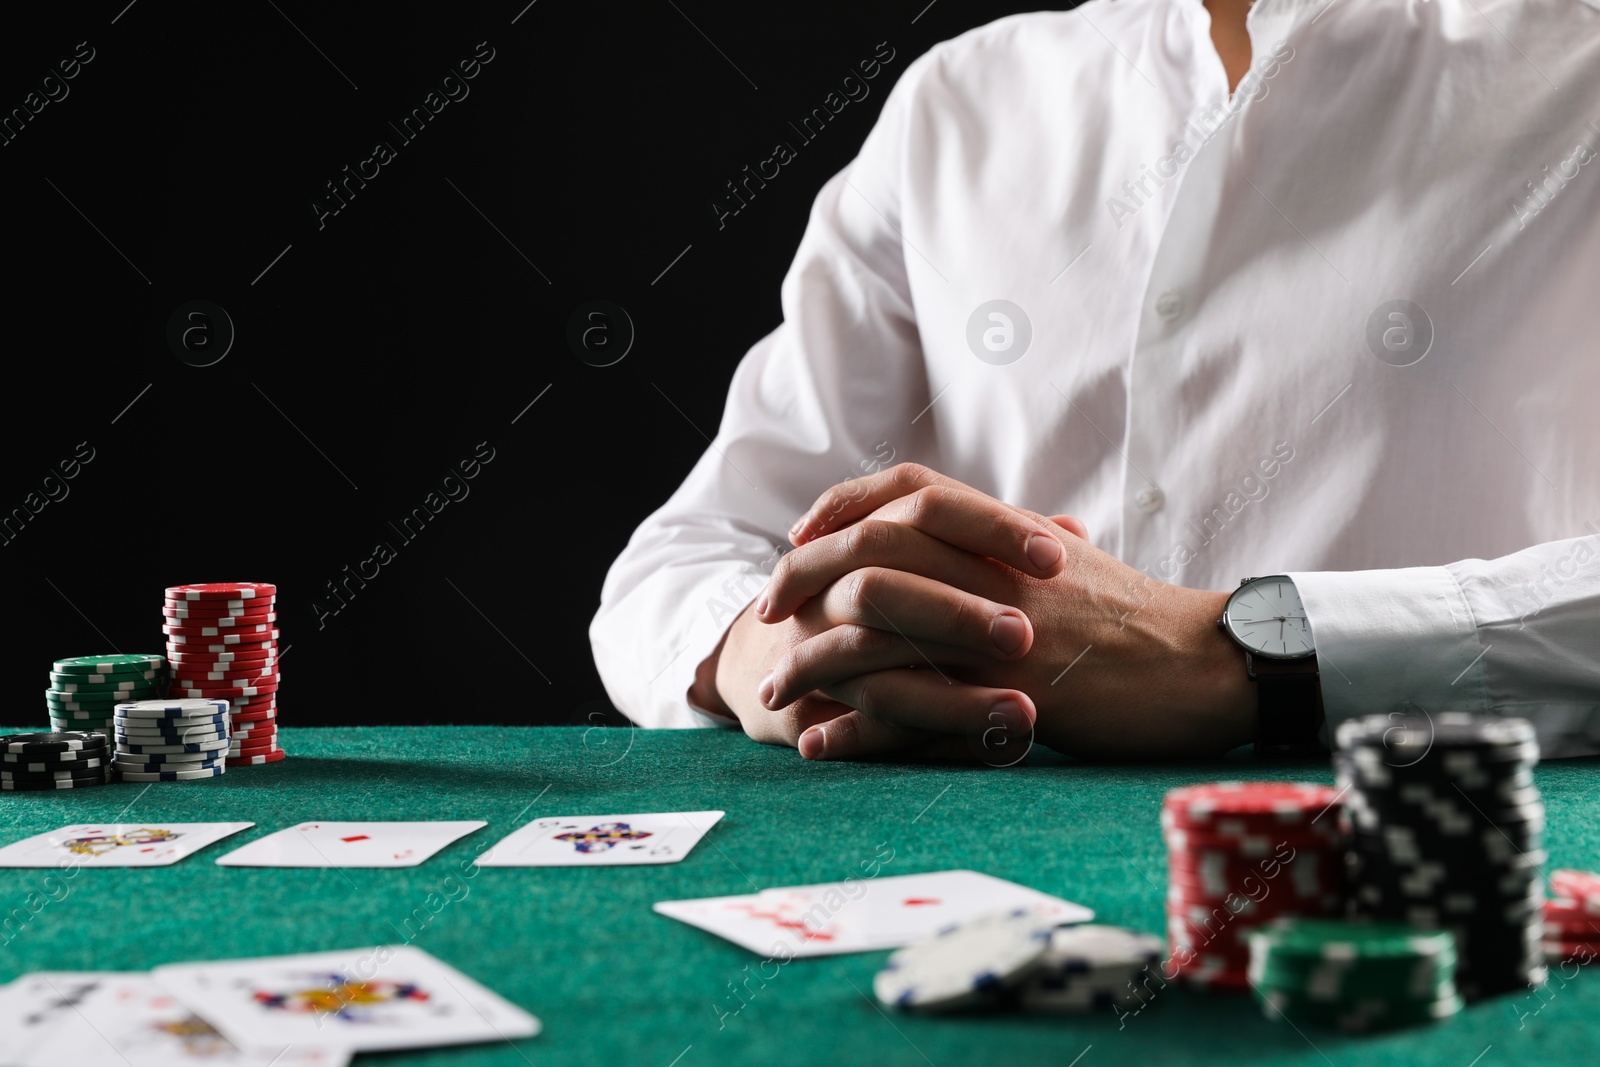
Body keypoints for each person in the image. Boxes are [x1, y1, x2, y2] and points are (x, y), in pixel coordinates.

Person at [590, 0, 1600, 761]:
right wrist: (757, 649)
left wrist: (1238, 657)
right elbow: (689, 553)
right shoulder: (962, 98)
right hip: (974, 891)